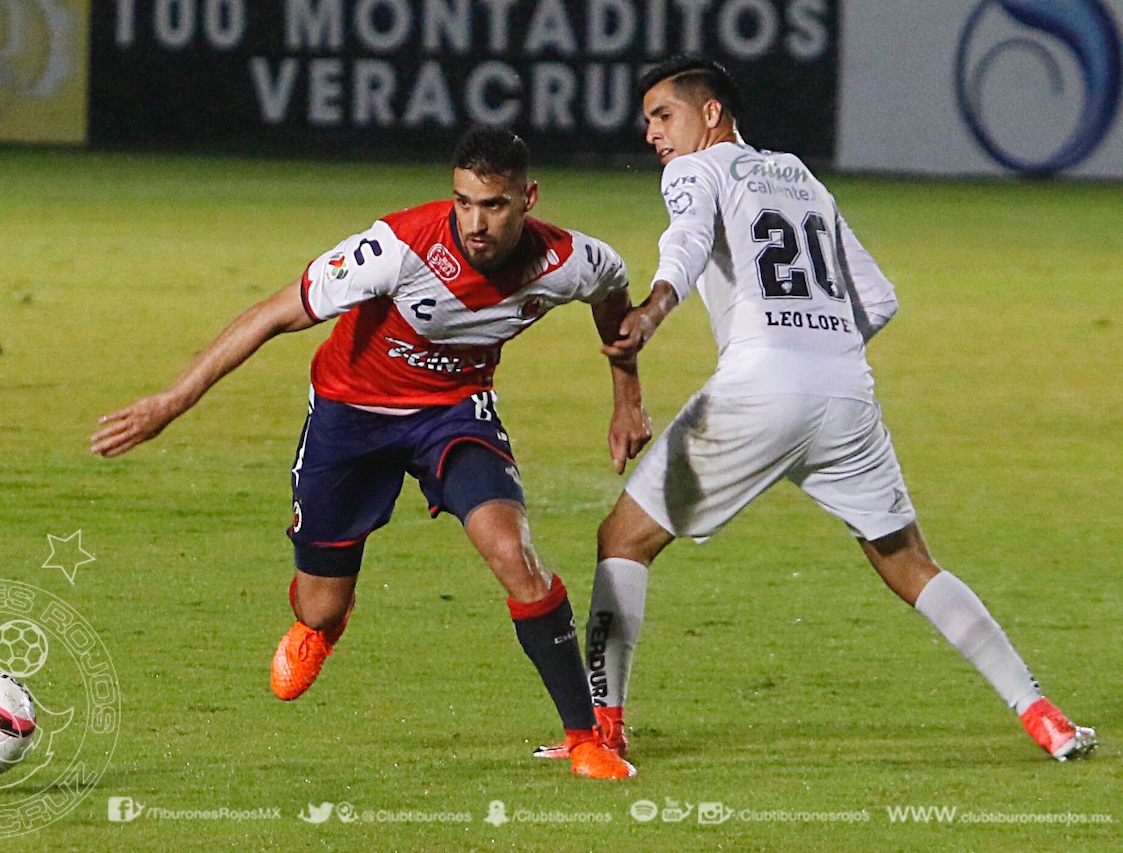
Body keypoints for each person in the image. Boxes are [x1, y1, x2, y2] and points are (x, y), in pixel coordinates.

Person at [533, 57, 1096, 763]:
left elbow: (683, 244)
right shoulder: (799, 175)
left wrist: (651, 313)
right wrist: (815, 343)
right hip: (844, 390)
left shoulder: (695, 171)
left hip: (758, 389)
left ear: (712, 115)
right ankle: (1043, 714)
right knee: (907, 560)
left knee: (623, 539)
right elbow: (879, 296)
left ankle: (604, 732)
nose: (651, 133)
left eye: (662, 115)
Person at [91, 126, 650, 780]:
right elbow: (274, 312)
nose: (475, 221)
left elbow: (615, 305)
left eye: (494, 204)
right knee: (321, 602)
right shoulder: (397, 247)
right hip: (350, 418)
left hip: (453, 412)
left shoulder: (572, 260)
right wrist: (172, 401)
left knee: (513, 553)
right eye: (463, 201)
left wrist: (627, 398)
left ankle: (586, 737)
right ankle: (322, 626)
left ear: (528, 198)